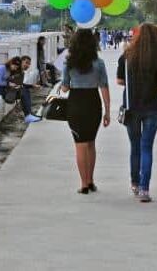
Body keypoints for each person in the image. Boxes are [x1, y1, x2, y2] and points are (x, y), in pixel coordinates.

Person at [117, 23, 157, 202]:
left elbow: (119, 80)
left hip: (131, 107)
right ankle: (145, 189)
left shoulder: (127, 55)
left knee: (135, 146)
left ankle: (135, 182)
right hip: (153, 107)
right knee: (147, 147)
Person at [61, 29, 110, 194]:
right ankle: (90, 181)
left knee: (79, 145)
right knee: (90, 143)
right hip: (93, 103)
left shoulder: (69, 63)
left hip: (75, 103)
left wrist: (65, 84)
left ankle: (83, 184)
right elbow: (104, 87)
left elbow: (65, 87)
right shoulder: (99, 63)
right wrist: (107, 111)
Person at [21, 56, 41, 123]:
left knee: (25, 89)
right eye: (26, 63)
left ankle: (29, 114)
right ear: (21, 61)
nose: (28, 65)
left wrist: (32, 86)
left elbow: (21, 84)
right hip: (7, 89)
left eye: (29, 64)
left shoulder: (22, 72)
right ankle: (27, 116)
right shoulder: (16, 70)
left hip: (14, 88)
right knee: (23, 91)